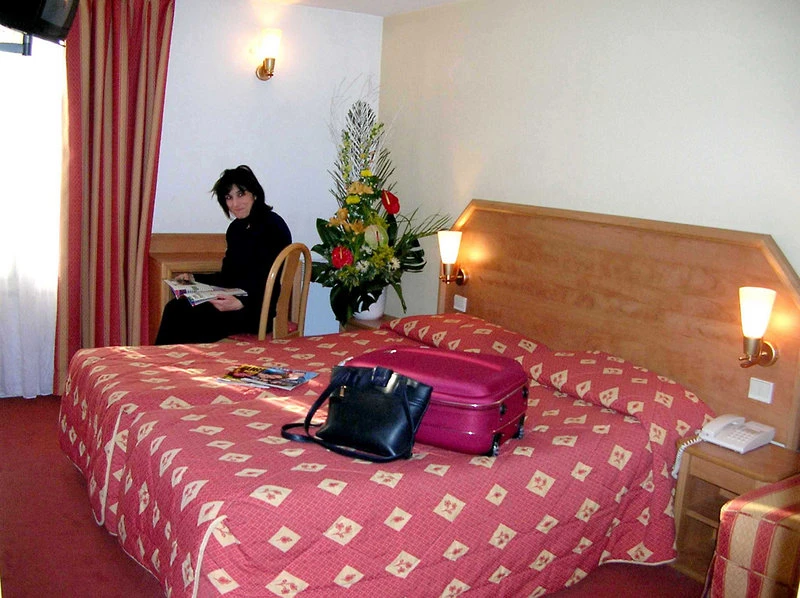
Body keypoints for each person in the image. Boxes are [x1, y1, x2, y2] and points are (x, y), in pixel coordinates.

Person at [154, 165, 292, 345]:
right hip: (235, 301)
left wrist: (241, 303)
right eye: (229, 197)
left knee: (185, 316)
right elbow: (228, 276)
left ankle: (172, 360)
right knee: (177, 307)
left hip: (258, 310)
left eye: (241, 194)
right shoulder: (236, 229)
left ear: (254, 194)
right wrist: (194, 278)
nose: (235, 204)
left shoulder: (273, 226)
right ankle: (167, 360)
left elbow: (270, 279)